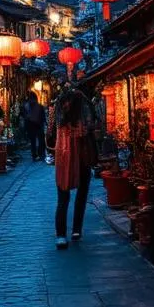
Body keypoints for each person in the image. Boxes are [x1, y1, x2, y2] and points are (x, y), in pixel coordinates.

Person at [46, 84, 97, 248]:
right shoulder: (85, 106)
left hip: (63, 156)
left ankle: (61, 235)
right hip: (82, 156)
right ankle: (76, 230)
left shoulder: (56, 108)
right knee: (81, 196)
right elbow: (91, 127)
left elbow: (49, 133)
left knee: (63, 198)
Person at [25, 91, 46, 161]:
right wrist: (43, 123)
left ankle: (34, 155)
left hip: (30, 126)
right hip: (38, 125)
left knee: (33, 141)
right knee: (40, 140)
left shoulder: (26, 106)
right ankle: (40, 154)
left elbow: (25, 116)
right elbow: (43, 117)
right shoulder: (40, 106)